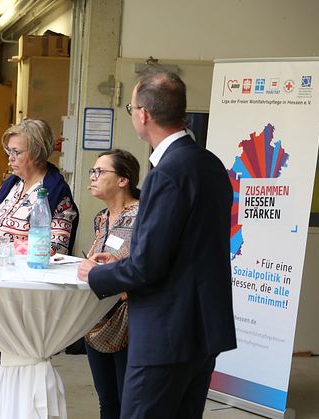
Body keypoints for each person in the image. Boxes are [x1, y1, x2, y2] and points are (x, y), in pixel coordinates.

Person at [77, 69, 236, 418]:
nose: (132, 114)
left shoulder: (167, 173)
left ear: (144, 115)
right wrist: (117, 265)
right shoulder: (210, 164)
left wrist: (96, 275)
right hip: (204, 327)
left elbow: (148, 265)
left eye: (131, 108)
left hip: (167, 333)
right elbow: (187, 250)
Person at [0, 119, 79, 370]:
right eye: (8, 151)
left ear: (37, 151)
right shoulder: (12, 184)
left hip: (28, 298)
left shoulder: (56, 193)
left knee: (21, 365)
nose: (9, 158)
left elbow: (54, 248)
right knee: (1, 363)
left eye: (16, 152)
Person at [82, 149, 140, 419]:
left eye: (100, 172)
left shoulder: (143, 216)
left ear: (123, 180)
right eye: (92, 171)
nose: (92, 177)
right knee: (107, 399)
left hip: (131, 318)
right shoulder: (101, 218)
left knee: (128, 400)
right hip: (97, 317)